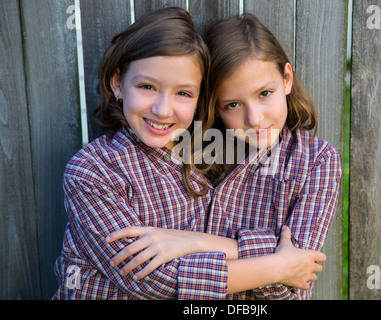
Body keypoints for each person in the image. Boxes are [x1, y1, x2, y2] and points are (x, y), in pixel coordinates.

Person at [53, 7, 326, 300]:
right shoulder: (91, 171)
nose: (162, 110)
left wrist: (192, 242)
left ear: (200, 100)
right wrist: (277, 266)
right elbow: (151, 279)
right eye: (147, 86)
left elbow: (299, 273)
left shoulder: (200, 166)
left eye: (183, 93)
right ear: (117, 83)